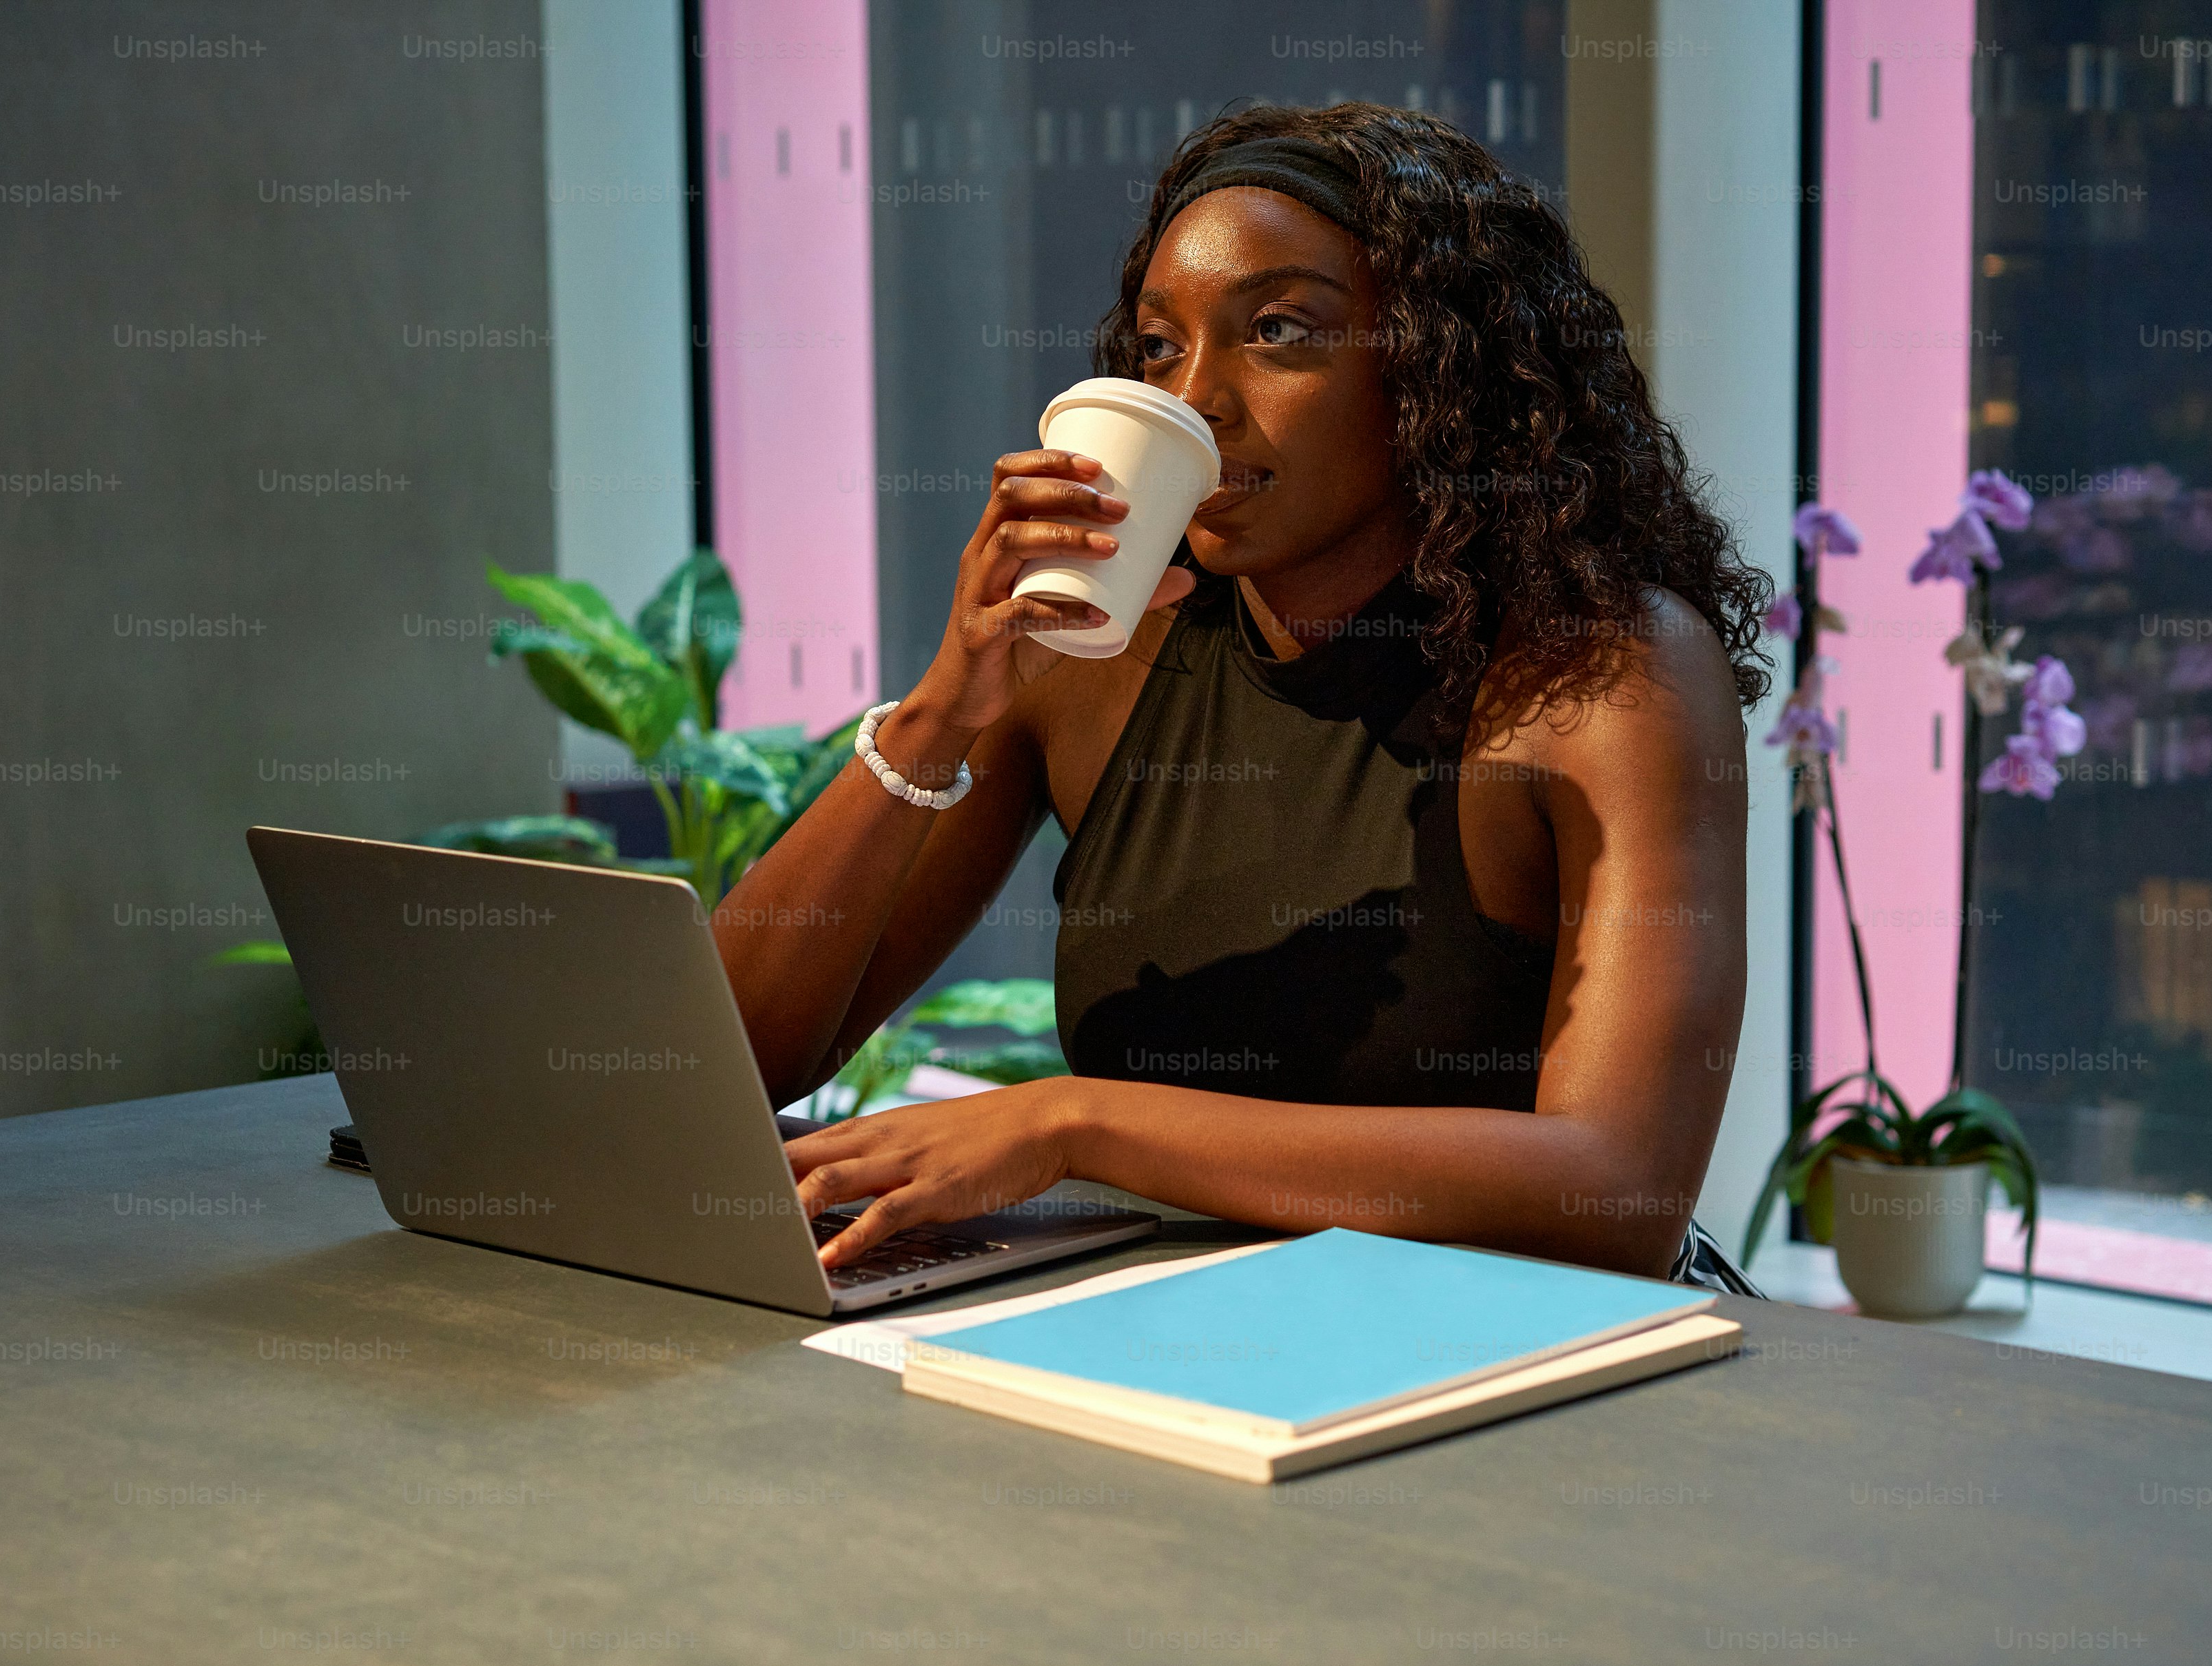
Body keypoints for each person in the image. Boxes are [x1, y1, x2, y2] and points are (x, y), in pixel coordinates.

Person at [714, 103, 1772, 1284]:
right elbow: (727, 1065)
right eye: (1162, 347)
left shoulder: (1601, 671)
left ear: (1434, 372)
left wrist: (1078, 1122)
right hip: (1189, 1350)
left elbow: (1616, 1191)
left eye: (1278, 331)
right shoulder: (1100, 654)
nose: (1196, 402)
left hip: (1528, 1377)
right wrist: (942, 711)